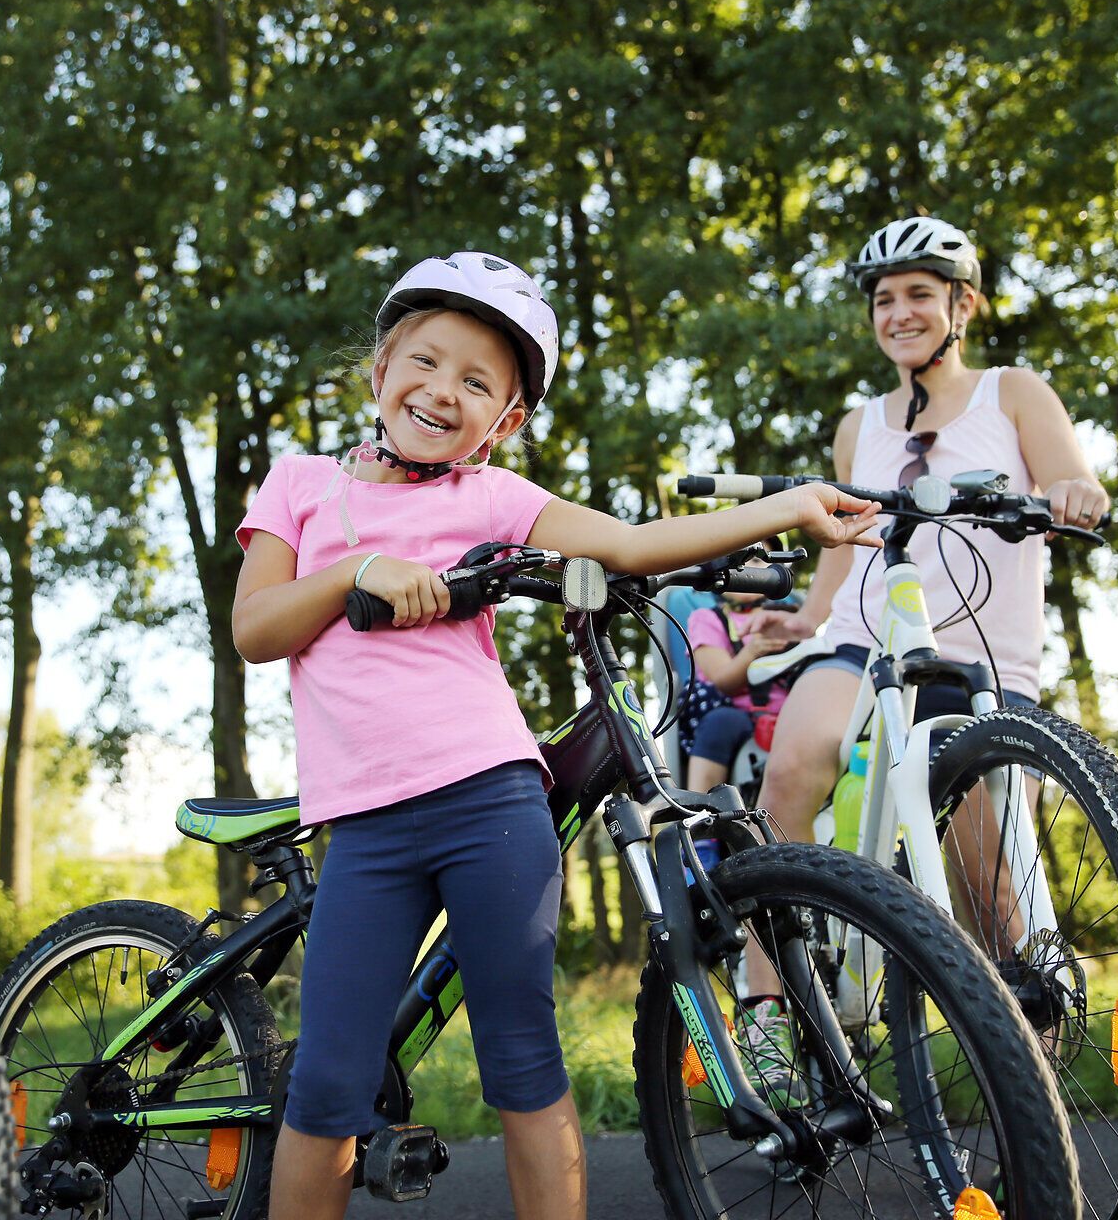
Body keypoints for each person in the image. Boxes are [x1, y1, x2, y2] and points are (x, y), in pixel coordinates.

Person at [231, 250, 881, 1220]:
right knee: (327, 1083)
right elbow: (254, 629)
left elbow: (631, 543)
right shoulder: (301, 484)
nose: (441, 390)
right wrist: (352, 572)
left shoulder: (492, 498)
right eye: (425, 361)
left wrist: (785, 507)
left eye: (476, 382)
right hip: (364, 824)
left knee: (522, 1059)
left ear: (504, 421)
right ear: (380, 368)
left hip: (491, 802)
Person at [742, 214, 1112, 1086]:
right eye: (884, 299)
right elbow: (844, 545)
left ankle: (1033, 1078)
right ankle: (765, 1010)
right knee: (789, 772)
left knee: (986, 874)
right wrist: (808, 617)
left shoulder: (1011, 392)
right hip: (864, 643)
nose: (899, 312)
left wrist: (1073, 492)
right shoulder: (858, 423)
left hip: (978, 659)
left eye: (918, 294)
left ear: (963, 305)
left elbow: (1072, 474)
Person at [681, 551, 795, 796]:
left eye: (757, 560)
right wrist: (752, 651)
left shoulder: (789, 616)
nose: (746, 569)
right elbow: (723, 680)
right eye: (736, 561)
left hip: (790, 711)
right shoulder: (707, 619)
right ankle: (701, 808)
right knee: (721, 723)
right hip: (737, 711)